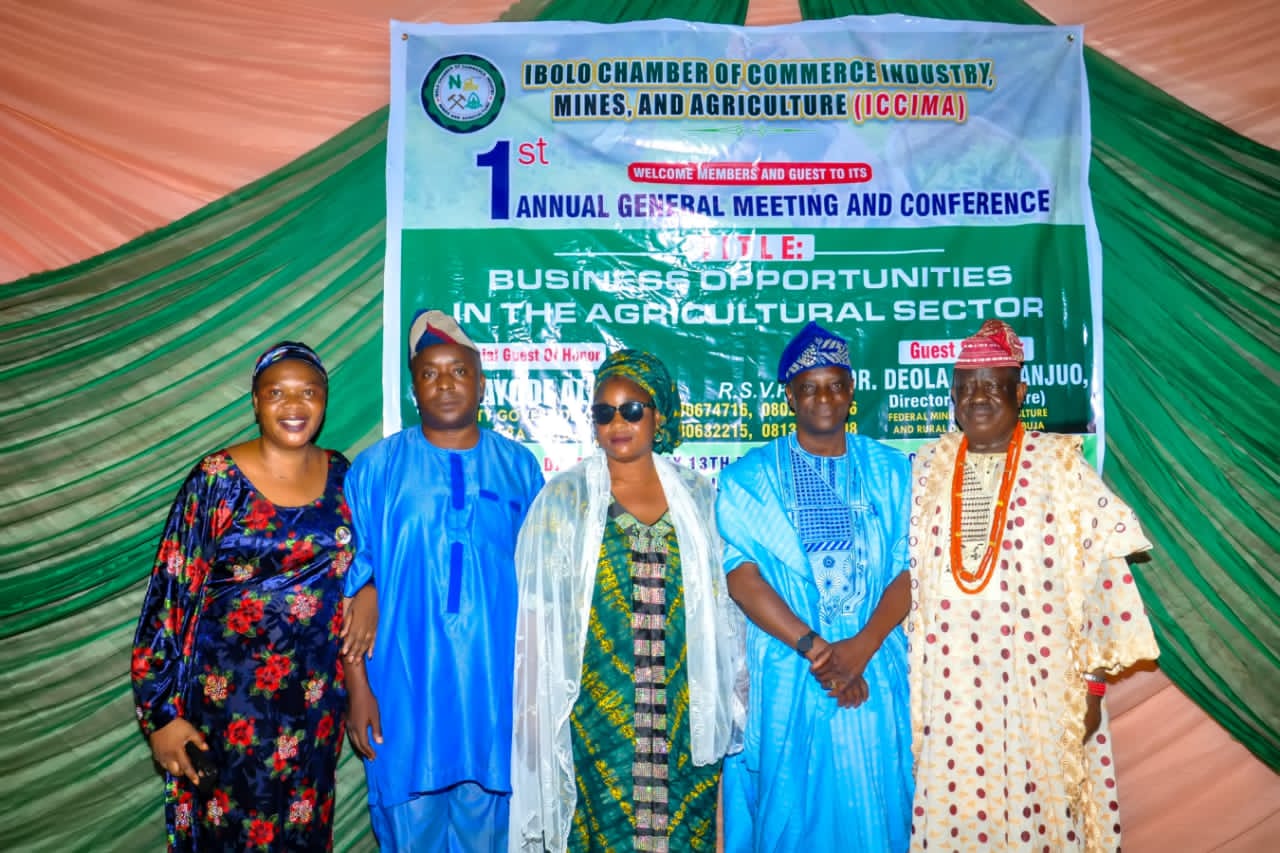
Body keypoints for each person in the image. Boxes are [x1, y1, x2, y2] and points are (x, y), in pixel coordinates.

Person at [907, 319, 1159, 851]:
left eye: (991, 386)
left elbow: (1104, 582)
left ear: (1019, 392)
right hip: (951, 690)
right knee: (960, 815)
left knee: (1039, 816)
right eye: (965, 387)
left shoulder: (1060, 466)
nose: (977, 398)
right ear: (952, 395)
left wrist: (1092, 686)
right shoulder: (928, 465)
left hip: (1041, 686)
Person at [509, 350, 743, 853]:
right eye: (604, 412)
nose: (618, 423)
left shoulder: (697, 495)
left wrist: (731, 696)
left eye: (632, 410)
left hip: (684, 711)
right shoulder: (565, 500)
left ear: (659, 415)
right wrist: (536, 715)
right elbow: (537, 617)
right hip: (600, 713)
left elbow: (724, 610)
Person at [131, 341, 353, 851]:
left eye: (308, 392)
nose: (293, 405)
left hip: (315, 707)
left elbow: (369, 562)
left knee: (302, 833)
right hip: (227, 708)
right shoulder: (216, 479)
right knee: (229, 835)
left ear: (324, 400)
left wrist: (368, 595)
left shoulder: (343, 475)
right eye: (277, 393)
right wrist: (161, 714)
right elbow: (169, 595)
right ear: (255, 401)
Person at [342, 310, 543, 852]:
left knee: (490, 831)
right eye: (429, 374)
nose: (445, 383)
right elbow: (351, 584)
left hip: (494, 692)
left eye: (458, 371)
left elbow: (542, 589)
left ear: (481, 383)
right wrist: (357, 688)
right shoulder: (376, 469)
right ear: (414, 390)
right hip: (403, 690)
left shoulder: (519, 468)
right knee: (411, 830)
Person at [716, 321, 913, 853]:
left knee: (882, 806)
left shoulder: (893, 472)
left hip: (876, 663)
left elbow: (910, 570)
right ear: (790, 396)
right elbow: (741, 577)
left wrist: (860, 648)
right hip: (792, 666)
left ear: (851, 391)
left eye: (834, 386)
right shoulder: (749, 478)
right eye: (809, 388)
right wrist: (818, 649)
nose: (823, 398)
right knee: (795, 814)